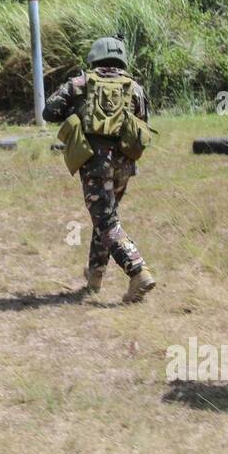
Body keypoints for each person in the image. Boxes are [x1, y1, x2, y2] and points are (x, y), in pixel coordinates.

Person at [42, 37, 156, 303]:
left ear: (94, 57)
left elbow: (49, 111)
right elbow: (144, 121)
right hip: (125, 164)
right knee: (105, 216)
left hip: (95, 163)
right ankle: (95, 276)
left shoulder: (80, 83)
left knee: (106, 221)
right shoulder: (134, 87)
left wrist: (77, 109)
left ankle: (138, 270)